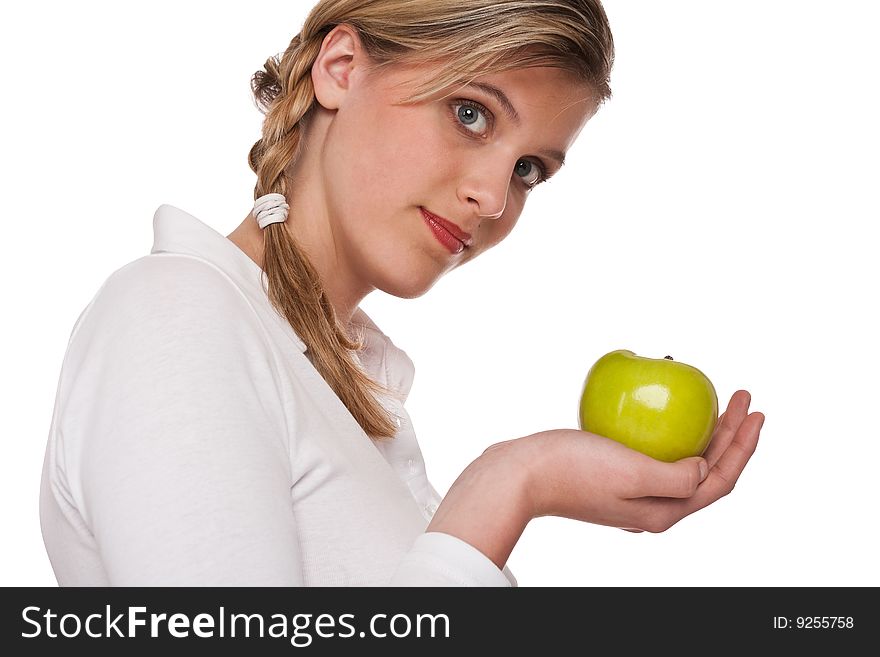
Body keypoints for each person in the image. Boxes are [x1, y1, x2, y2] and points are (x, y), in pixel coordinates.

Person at [39, 0, 764, 586]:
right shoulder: (177, 317)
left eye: (528, 170)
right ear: (341, 68)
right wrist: (512, 485)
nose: (491, 197)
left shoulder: (349, 388)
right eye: (471, 112)